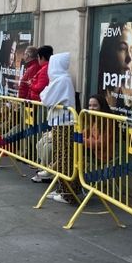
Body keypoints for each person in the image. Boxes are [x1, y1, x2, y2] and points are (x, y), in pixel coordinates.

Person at [39, 52, 78, 204]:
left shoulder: (62, 80)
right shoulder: (61, 80)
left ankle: (67, 192)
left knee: (64, 158)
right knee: (60, 156)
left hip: (64, 124)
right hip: (60, 123)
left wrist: (45, 94)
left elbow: (46, 98)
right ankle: (63, 189)